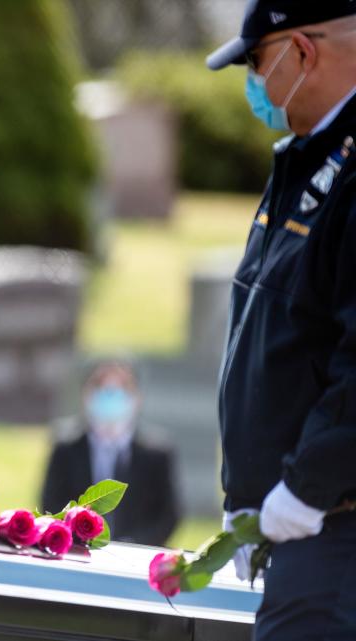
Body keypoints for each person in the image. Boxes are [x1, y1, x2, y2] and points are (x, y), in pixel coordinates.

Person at [207, 1, 356, 637]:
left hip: (335, 530)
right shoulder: (304, 157)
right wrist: (248, 493)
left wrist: (305, 488)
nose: (254, 83)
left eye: (257, 62)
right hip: (298, 527)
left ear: (303, 52)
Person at [40, 361, 179, 546]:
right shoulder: (66, 447)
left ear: (137, 398)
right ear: (86, 396)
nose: (111, 397)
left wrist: (133, 544)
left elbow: (168, 515)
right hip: (78, 551)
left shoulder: (157, 452)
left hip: (136, 556)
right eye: (101, 388)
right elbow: (51, 503)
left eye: (121, 389)